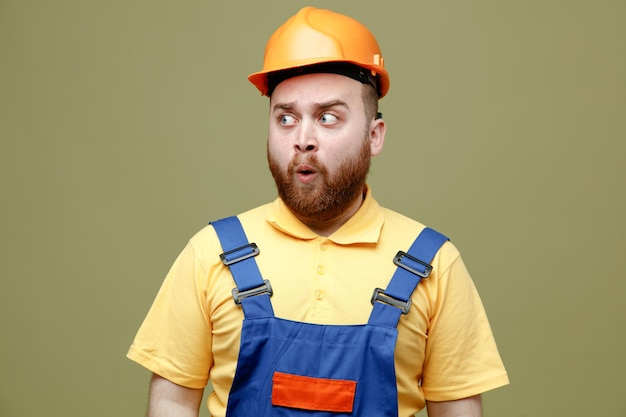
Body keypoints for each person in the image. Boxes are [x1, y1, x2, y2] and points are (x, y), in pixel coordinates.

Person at [127, 6, 509, 417]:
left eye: (328, 117)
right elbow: (172, 402)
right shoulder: (210, 255)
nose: (303, 139)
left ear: (373, 135)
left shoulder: (434, 265)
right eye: (286, 118)